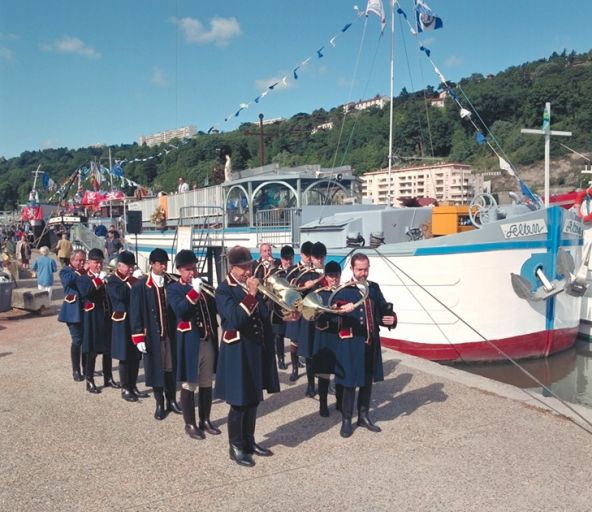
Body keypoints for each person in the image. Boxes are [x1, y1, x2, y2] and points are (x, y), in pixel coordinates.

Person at [215, 246, 279, 467]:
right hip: (237, 352)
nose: (247, 271)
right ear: (232, 268)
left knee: (253, 399)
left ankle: (249, 441)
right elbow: (234, 319)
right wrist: (252, 294)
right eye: (243, 267)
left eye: (249, 266)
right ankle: (235, 446)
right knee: (239, 402)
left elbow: (261, 315)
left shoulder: (253, 284)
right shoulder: (224, 290)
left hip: (255, 348)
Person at [332, 253, 397, 438]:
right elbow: (330, 315)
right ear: (352, 269)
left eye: (366, 269)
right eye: (360, 269)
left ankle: (363, 416)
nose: (363, 273)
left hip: (370, 343)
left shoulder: (374, 288)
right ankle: (346, 420)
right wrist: (340, 311)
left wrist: (391, 319)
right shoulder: (343, 291)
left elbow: (383, 310)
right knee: (350, 384)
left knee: (367, 382)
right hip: (351, 345)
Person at [167, 250, 220, 440]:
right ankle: (189, 424)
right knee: (190, 384)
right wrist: (194, 292)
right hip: (189, 342)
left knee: (206, 382)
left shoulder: (202, 286)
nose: (192, 272)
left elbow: (214, 309)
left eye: (194, 268)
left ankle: (205, 419)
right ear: (180, 270)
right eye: (188, 269)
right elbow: (181, 310)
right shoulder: (174, 289)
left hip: (207, 340)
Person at [130, 248, 181, 420]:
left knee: (170, 369)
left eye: (165, 263)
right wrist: (138, 337)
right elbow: (135, 313)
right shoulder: (141, 285)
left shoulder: (171, 283)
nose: (164, 266)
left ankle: (172, 400)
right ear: (152, 264)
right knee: (157, 371)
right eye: (160, 263)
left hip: (170, 334)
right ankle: (160, 403)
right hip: (152, 335)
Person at [106, 251, 147, 402]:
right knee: (124, 356)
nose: (130, 269)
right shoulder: (113, 280)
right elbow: (120, 295)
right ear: (119, 266)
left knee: (136, 355)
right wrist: (133, 280)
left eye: (132, 266)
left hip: (135, 320)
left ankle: (133, 385)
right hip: (122, 321)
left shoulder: (133, 280)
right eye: (128, 266)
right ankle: (125, 388)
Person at [78, 248, 120, 393]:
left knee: (108, 349)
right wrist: (98, 279)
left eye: (100, 263)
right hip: (93, 318)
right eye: (96, 262)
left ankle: (108, 377)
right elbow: (86, 292)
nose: (98, 266)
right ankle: (89, 379)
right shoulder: (83, 278)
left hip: (107, 317)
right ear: (89, 263)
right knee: (92, 350)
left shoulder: (104, 277)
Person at [310, 260, 342, 417]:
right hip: (324, 336)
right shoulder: (319, 293)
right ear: (326, 277)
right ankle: (323, 404)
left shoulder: (344, 292)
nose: (334, 279)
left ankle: (340, 401)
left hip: (340, 336)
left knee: (340, 371)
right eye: (330, 276)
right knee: (323, 373)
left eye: (336, 275)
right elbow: (310, 314)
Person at [297, 241, 327, 397]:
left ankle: (325, 383)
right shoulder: (305, 274)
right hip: (309, 318)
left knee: (324, 352)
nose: (320, 260)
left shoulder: (329, 274)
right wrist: (304, 286)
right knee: (308, 352)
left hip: (323, 318)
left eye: (322, 257)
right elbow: (295, 295)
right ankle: (310, 384)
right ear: (312, 258)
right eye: (317, 257)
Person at [285, 240, 313, 382]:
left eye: (311, 255)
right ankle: (295, 368)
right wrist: (303, 285)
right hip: (296, 309)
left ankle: (311, 377)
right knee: (294, 340)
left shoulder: (314, 270)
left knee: (309, 343)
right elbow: (288, 288)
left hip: (309, 311)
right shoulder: (293, 270)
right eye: (307, 254)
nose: (309, 257)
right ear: (301, 254)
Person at [57, 249, 87, 382]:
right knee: (77, 340)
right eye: (78, 260)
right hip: (72, 310)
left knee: (87, 341)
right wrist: (81, 271)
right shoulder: (65, 271)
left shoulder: (85, 272)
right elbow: (68, 281)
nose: (81, 263)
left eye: (83, 260)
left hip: (86, 309)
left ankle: (87, 367)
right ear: (71, 260)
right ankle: (76, 369)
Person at [269, 245, 295, 370]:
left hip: (292, 306)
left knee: (294, 335)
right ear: (281, 258)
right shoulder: (275, 272)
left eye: (290, 258)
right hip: (279, 307)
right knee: (279, 334)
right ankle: (280, 359)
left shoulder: (296, 270)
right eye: (286, 259)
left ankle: (295, 359)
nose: (288, 261)